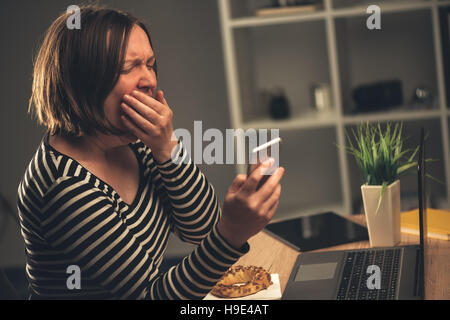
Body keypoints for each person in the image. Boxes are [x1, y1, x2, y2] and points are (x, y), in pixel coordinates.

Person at [18, 5, 284, 299]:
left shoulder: (130, 142)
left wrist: (167, 148)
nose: (150, 80)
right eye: (127, 68)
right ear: (80, 81)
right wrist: (232, 234)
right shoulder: (66, 187)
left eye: (150, 64)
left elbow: (201, 229)